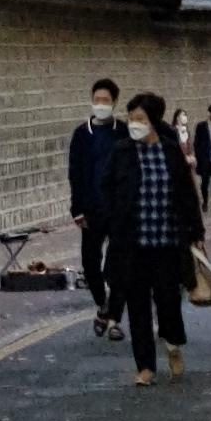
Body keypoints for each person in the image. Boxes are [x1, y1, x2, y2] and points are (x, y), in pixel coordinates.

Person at [97, 89, 205, 385]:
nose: (134, 124)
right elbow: (106, 188)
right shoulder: (122, 152)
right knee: (138, 308)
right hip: (132, 244)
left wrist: (196, 231)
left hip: (167, 243)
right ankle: (145, 367)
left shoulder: (170, 151)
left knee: (169, 302)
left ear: (154, 120)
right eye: (131, 118)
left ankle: (173, 344)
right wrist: (111, 221)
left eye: (140, 119)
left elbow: (187, 194)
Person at [70, 79, 124, 329]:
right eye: (97, 100)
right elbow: (75, 173)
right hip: (91, 209)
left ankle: (114, 318)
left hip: (118, 209)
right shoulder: (82, 134)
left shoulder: (122, 132)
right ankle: (102, 303)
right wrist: (77, 209)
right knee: (90, 262)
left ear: (114, 102)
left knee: (117, 264)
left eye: (106, 100)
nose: (101, 104)